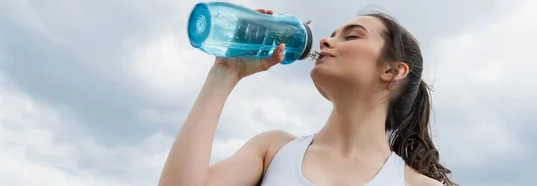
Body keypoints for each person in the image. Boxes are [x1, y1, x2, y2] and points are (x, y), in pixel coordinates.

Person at [159, 8, 456, 186]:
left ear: (392, 71)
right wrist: (223, 74)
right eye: (332, 34)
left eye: (351, 36)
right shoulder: (273, 150)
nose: (326, 40)